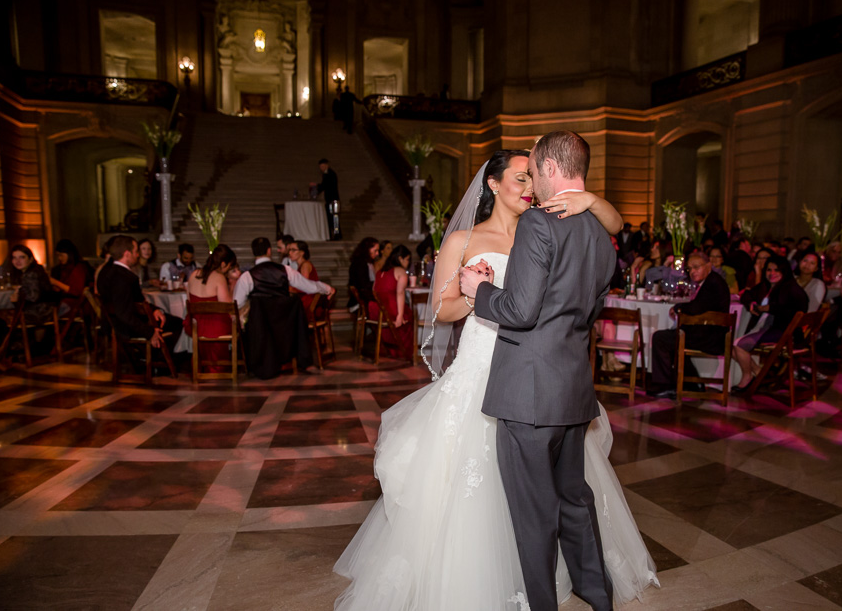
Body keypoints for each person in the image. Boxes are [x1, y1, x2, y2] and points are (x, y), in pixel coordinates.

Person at [334, 147, 656, 611]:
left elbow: (610, 226)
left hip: (535, 375)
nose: (529, 188)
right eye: (519, 178)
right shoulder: (464, 239)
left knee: (555, 493)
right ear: (492, 184)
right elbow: (440, 314)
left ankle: (553, 583)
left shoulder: (547, 224)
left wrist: (591, 201)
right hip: (483, 369)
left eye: (532, 178)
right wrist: (472, 292)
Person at [233, 237, 335, 378]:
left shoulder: (247, 276)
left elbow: (237, 303)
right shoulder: (285, 270)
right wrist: (327, 288)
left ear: (253, 253)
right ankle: (303, 361)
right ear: (269, 251)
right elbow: (308, 286)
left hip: (262, 329)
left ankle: (258, 363)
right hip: (286, 327)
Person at [649, 251, 731, 398]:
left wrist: (677, 308)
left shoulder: (713, 283)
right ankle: (693, 384)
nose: (692, 272)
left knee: (660, 338)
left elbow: (697, 308)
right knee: (674, 338)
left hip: (710, 337)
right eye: (689, 269)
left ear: (708, 266)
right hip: (707, 334)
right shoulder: (711, 281)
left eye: (696, 267)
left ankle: (664, 385)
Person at [732, 255, 808, 391]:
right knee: (731, 347)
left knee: (738, 345)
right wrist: (751, 303)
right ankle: (760, 373)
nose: (772, 273)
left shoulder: (791, 289)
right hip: (764, 328)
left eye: (776, 270)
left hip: (783, 332)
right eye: (769, 270)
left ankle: (747, 376)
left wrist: (770, 308)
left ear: (784, 272)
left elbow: (798, 309)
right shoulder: (765, 286)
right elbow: (746, 294)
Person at [97, 236, 183, 352]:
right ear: (127, 254)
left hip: (112, 324)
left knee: (166, 318)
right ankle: (160, 361)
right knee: (180, 323)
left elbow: (136, 301)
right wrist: (150, 332)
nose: (138, 255)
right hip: (125, 327)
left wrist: (154, 310)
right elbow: (124, 313)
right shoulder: (124, 277)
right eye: (136, 251)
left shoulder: (104, 272)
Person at [184, 245, 237, 373]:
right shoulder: (219, 278)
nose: (228, 269)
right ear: (223, 264)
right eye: (230, 266)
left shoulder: (193, 274)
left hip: (196, 325)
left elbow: (189, 301)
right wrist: (233, 285)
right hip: (216, 327)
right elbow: (227, 307)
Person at [373, 244, 413, 358]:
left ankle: (391, 349)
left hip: (378, 311)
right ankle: (403, 352)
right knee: (410, 315)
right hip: (391, 311)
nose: (408, 263)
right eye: (407, 259)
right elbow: (400, 293)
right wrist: (400, 315)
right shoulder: (400, 271)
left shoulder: (380, 271)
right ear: (400, 258)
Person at [7, 245, 57, 326]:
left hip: (39, 313)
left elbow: (33, 297)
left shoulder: (31, 274)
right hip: (47, 311)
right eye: (14, 258)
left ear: (30, 259)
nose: (17, 261)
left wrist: (16, 300)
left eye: (22, 257)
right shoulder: (36, 270)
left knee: (3, 319)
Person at [49, 239, 93, 315]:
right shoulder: (61, 269)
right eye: (58, 255)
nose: (59, 258)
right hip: (63, 301)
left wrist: (55, 282)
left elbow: (76, 291)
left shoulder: (79, 268)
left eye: (61, 255)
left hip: (74, 304)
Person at [287, 240, 324, 315]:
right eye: (289, 250)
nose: (290, 253)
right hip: (305, 300)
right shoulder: (302, 265)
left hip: (308, 302)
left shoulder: (305, 265)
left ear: (302, 252)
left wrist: (289, 288)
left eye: (293, 250)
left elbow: (304, 286)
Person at [346, 237, 379, 313]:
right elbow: (363, 285)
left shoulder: (366, 262)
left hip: (364, 299)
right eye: (375, 250)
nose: (377, 253)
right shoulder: (360, 263)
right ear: (367, 249)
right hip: (361, 302)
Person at [317, 158, 341, 239]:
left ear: (327, 165)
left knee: (334, 218)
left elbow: (325, 185)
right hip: (330, 200)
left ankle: (336, 235)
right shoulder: (326, 174)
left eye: (323, 166)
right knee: (331, 218)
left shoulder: (330, 174)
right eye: (321, 167)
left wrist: (317, 186)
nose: (322, 168)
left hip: (333, 200)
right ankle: (333, 234)